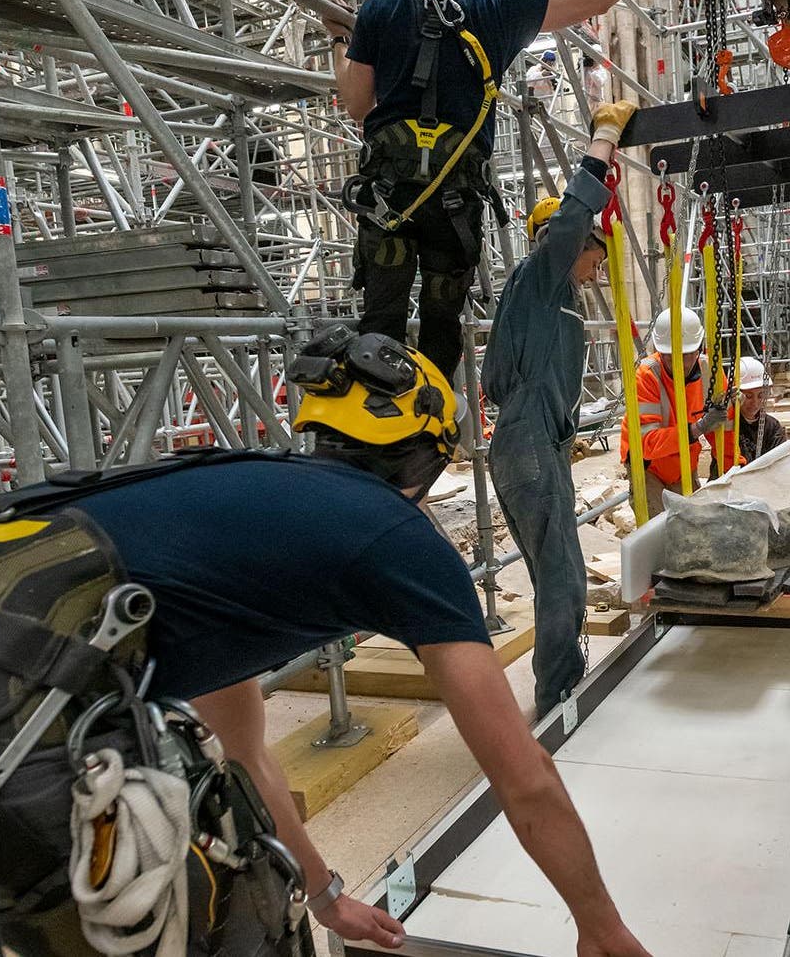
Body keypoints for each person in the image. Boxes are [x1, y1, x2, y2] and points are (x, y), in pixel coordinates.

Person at [55, 332, 652, 957]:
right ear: (427, 459)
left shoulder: (234, 514)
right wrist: (601, 927)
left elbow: (243, 756)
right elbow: (524, 777)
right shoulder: (397, 538)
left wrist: (326, 898)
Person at [330, 0, 653, 382]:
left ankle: (375, 430)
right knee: (442, 326)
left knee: (380, 324)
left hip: (386, 199)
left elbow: (356, 103)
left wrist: (339, 38)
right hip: (453, 204)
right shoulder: (495, 7)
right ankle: (430, 427)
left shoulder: (380, 8)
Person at [482, 100, 636, 718]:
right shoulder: (542, 275)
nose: (599, 266)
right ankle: (558, 701)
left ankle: (561, 683)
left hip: (539, 445)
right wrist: (603, 138)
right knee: (566, 577)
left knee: (557, 574)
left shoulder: (553, 296)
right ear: (566, 244)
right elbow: (575, 214)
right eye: (594, 253)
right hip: (527, 444)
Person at [618, 308, 736, 517]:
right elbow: (647, 444)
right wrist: (698, 428)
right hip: (648, 467)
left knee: (692, 524)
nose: (683, 364)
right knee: (657, 531)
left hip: (683, 461)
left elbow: (725, 429)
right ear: (660, 351)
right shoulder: (646, 376)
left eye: (688, 355)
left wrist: (730, 472)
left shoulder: (710, 371)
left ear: (698, 349)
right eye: (673, 357)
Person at [734, 356, 788, 464]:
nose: (755, 403)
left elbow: (781, 462)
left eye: (760, 395)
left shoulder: (772, 427)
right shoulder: (728, 425)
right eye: (748, 396)